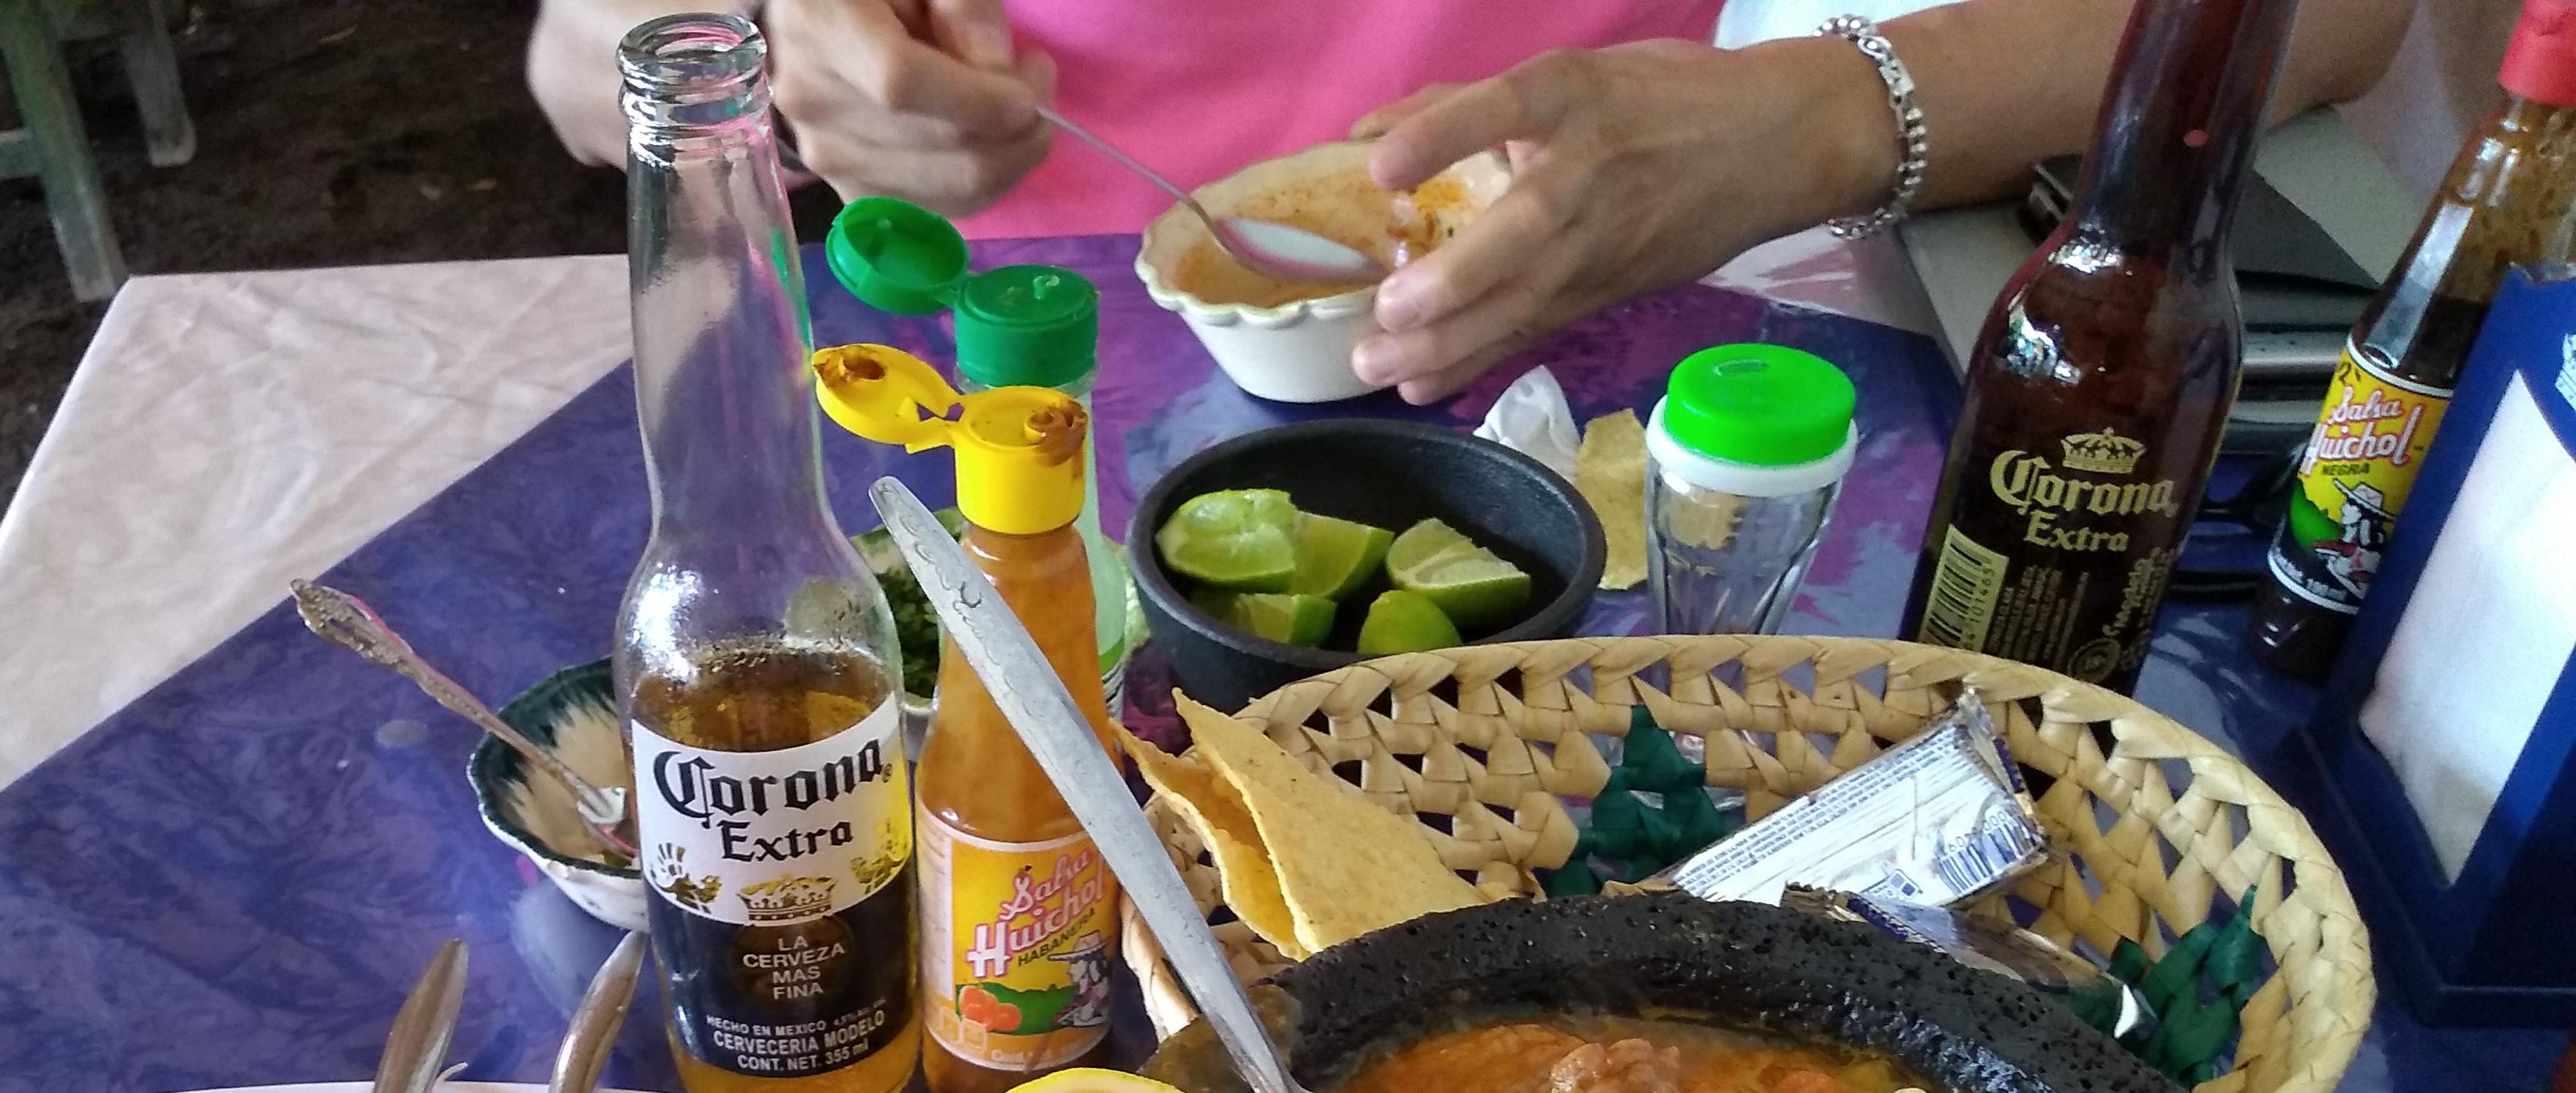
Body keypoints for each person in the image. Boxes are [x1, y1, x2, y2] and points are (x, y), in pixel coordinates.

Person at [527, 0, 2408, 402]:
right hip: (963, 387)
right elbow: (571, 57)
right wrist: (755, 43)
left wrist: (1831, 111)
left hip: (1638, 346)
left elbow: (2334, 14)